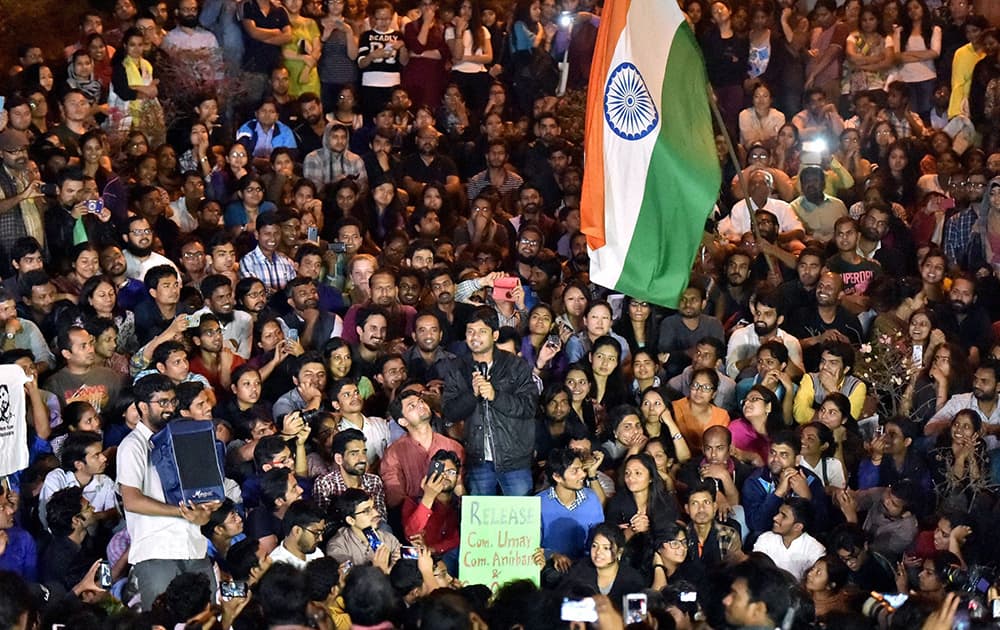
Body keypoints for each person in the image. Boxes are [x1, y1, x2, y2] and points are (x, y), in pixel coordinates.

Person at [117, 374, 220, 610]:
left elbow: (204, 494)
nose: (170, 408)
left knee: (207, 618)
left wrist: (203, 513)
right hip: (156, 550)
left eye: (173, 402)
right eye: (162, 402)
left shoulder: (186, 438)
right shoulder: (132, 445)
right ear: (142, 406)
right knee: (162, 618)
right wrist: (180, 512)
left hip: (193, 546)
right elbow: (131, 501)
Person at [442, 306, 538, 496]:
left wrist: (496, 397)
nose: (474, 336)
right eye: (470, 331)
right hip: (478, 460)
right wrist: (472, 394)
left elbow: (530, 406)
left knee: (518, 519)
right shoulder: (457, 367)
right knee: (481, 524)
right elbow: (449, 412)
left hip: (514, 460)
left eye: (481, 331)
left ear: (494, 335)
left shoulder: (515, 365)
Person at [538, 447, 605, 568]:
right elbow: (532, 546)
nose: (583, 474)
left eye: (581, 469)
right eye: (575, 471)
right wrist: (553, 555)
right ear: (557, 477)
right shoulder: (538, 503)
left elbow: (598, 537)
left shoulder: (591, 499)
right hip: (550, 566)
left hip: (585, 565)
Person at [751, 498, 825, 580]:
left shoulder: (815, 550)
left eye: (783, 516)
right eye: (778, 513)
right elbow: (756, 571)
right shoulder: (765, 538)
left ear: (797, 527)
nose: (775, 518)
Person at [269, 501, 326, 569]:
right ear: (297, 531)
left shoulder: (317, 553)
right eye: (316, 533)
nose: (321, 539)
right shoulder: (277, 566)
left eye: (321, 533)